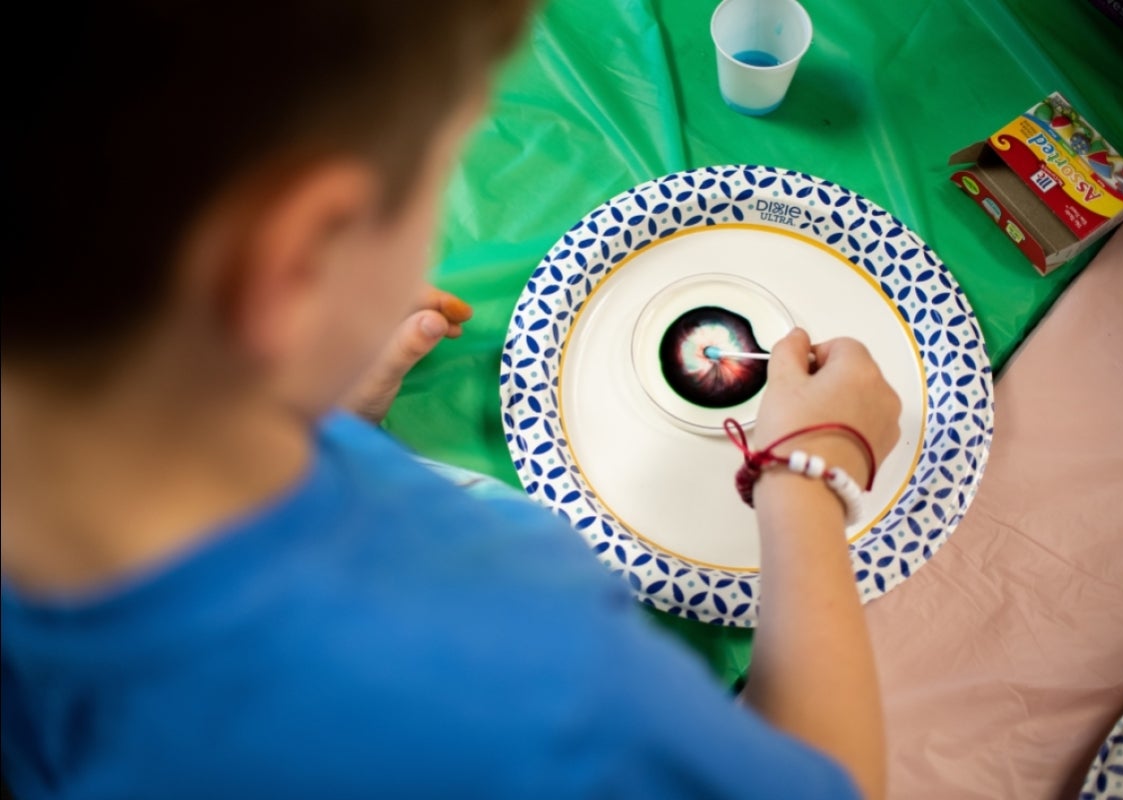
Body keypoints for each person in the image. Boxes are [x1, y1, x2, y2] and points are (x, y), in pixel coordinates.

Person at [1, 2, 901, 798]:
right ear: (298, 261)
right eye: (445, 169)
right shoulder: (539, 681)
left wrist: (319, 412)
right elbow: (826, 782)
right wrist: (808, 470)